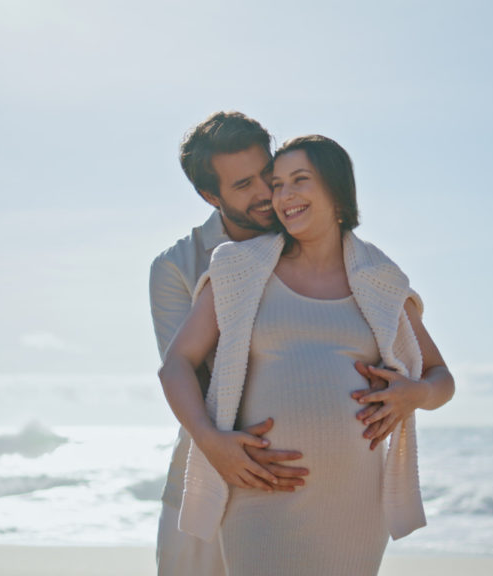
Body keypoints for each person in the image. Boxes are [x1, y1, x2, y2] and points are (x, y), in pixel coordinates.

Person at [159, 135, 455, 575]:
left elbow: (440, 377)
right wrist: (209, 438)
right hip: (260, 492)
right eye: (277, 184)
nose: (283, 195)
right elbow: (176, 365)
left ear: (336, 190)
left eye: (300, 180)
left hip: (354, 503)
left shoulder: (380, 280)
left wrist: (414, 395)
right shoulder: (239, 268)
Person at [149, 111, 311, 576]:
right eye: (244, 186)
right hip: (206, 478)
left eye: (267, 174)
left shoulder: (314, 237)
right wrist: (215, 445)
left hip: (303, 478)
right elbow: (189, 373)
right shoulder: (178, 267)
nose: (265, 193)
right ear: (209, 195)